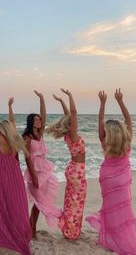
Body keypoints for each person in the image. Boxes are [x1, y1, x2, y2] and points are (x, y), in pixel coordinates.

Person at [86, 89, 136, 254]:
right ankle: (122, 238)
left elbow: (100, 120)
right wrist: (120, 101)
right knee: (123, 208)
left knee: (110, 208)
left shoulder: (105, 142)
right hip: (122, 178)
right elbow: (129, 119)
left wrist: (102, 103)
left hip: (107, 178)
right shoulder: (127, 142)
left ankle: (110, 237)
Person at [0, 98, 31, 255]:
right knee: (15, 208)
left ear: (3, 133)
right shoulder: (13, 141)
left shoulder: (4, 142)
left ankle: (9, 237)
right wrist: (10, 106)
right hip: (15, 180)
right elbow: (11, 121)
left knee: (2, 209)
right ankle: (19, 234)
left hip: (5, 182)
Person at [46, 89, 87, 239]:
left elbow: (68, 115)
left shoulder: (68, 136)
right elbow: (73, 113)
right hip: (77, 171)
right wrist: (70, 96)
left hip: (73, 169)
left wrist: (61, 101)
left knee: (71, 201)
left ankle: (70, 229)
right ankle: (71, 232)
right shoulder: (73, 135)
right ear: (71, 126)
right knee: (77, 202)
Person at [23, 90, 60, 239]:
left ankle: (32, 228)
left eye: (39, 120)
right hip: (35, 174)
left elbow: (44, 114)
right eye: (36, 120)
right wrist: (34, 177)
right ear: (31, 122)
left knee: (39, 205)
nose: (39, 121)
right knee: (38, 202)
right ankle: (30, 230)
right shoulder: (26, 137)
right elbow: (27, 159)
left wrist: (42, 98)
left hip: (45, 172)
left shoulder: (40, 134)